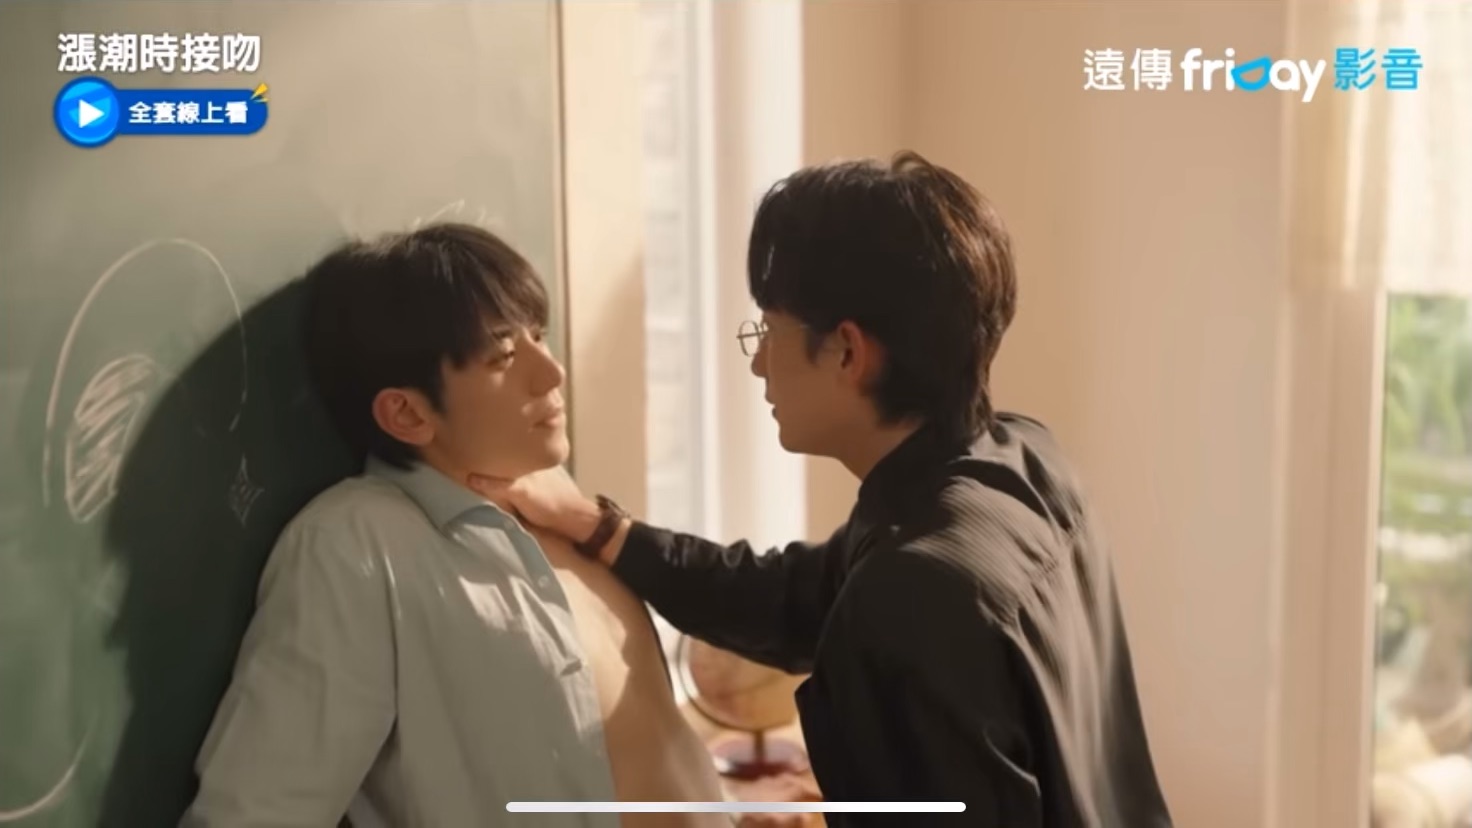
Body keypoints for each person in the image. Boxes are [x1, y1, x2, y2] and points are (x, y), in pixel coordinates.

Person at [471, 152, 1175, 827]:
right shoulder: (1023, 461)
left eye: (769, 330)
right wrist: (600, 528)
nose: (758, 362)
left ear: (847, 351)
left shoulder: (912, 589)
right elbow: (791, 599)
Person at [182, 223, 733, 827]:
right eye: (503, 355)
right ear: (407, 413)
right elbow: (256, 813)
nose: (552, 373)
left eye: (539, 335)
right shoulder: (354, 546)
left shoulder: (558, 502)